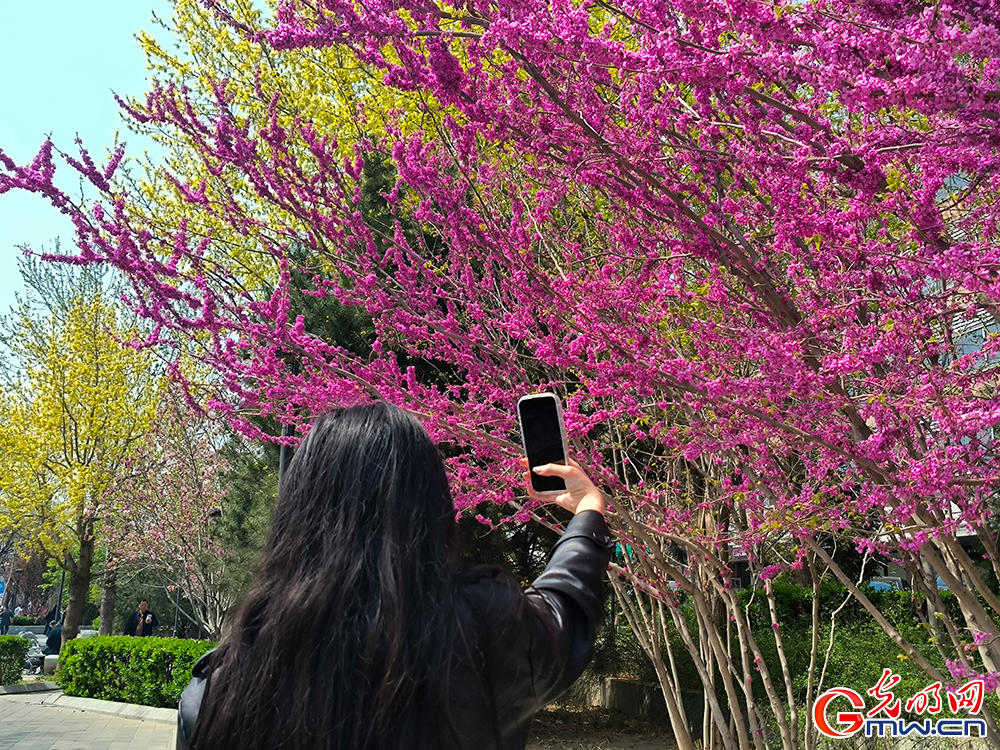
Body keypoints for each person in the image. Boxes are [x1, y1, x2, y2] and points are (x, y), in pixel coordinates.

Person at [177, 402, 613, 750]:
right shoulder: (483, 634)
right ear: (432, 508)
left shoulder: (217, 694)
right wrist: (587, 512)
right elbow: (564, 608)